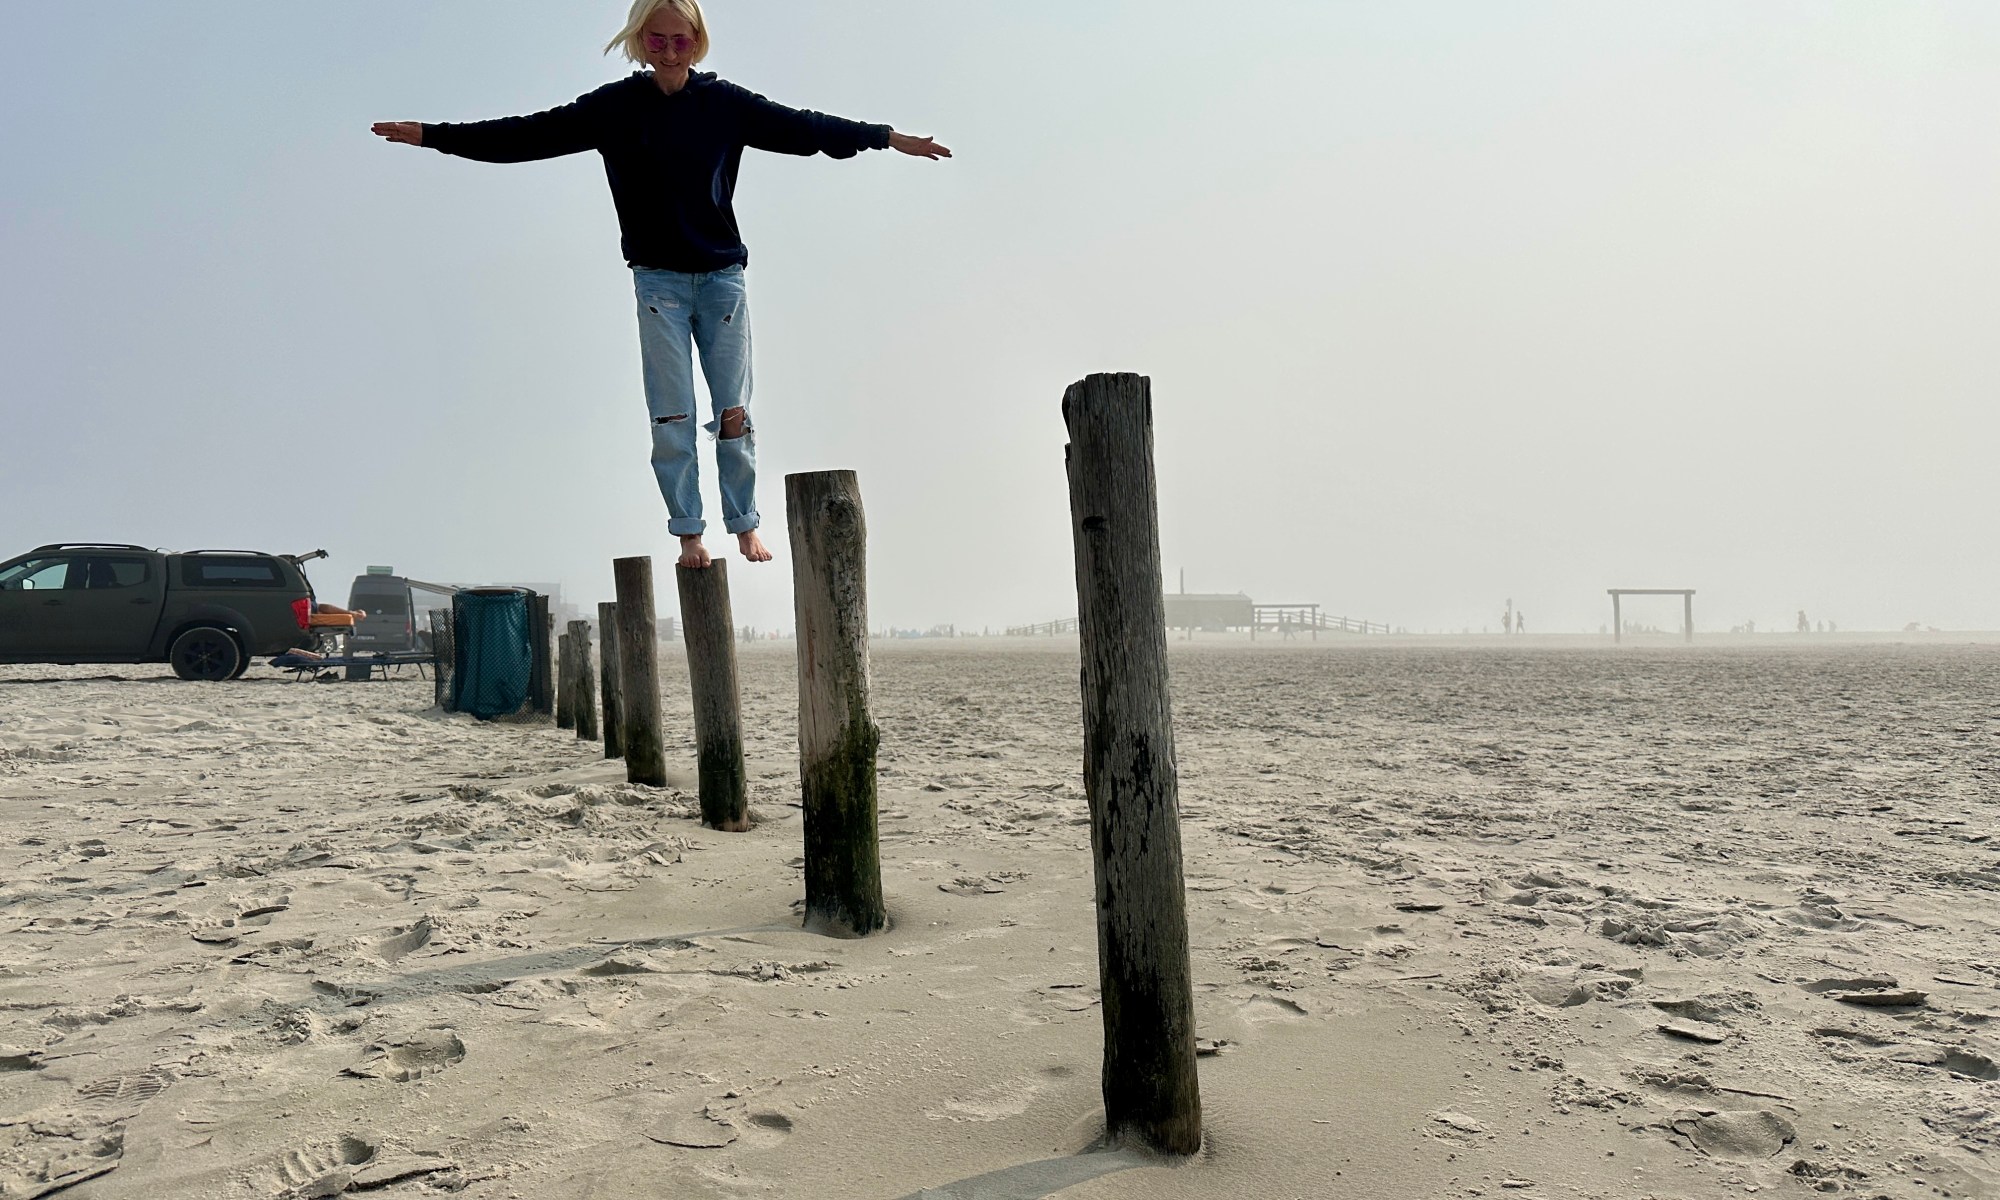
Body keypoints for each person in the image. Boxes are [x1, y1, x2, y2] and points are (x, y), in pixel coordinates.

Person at [372, 0, 950, 569]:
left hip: (723, 280)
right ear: (639, 41)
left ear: (697, 42)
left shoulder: (725, 104)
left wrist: (885, 136)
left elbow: (805, 127)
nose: (670, 51)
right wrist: (431, 135)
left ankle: (745, 524)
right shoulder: (615, 108)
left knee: (733, 411)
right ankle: (689, 534)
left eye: (681, 40)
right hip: (658, 284)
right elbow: (526, 136)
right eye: (657, 40)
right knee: (671, 413)